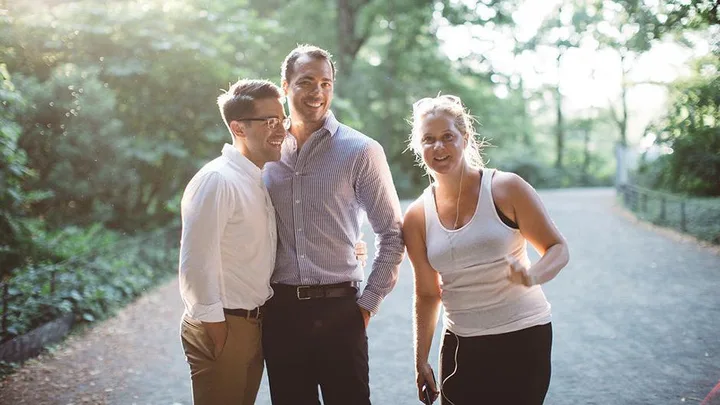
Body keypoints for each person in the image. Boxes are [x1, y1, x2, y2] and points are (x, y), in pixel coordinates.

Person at [177, 78, 368, 404]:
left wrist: (347, 247)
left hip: (253, 324)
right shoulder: (218, 180)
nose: (281, 129)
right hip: (226, 324)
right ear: (238, 128)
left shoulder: (258, 177)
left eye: (280, 119)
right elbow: (195, 264)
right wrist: (218, 333)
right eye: (269, 122)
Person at [262, 44, 405, 405]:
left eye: (326, 83)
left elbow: (391, 233)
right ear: (285, 86)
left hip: (341, 310)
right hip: (281, 312)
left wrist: (368, 303)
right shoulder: (264, 152)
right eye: (306, 82)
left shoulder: (360, 150)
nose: (317, 92)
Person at [404, 94, 570, 405]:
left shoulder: (506, 189)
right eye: (428, 140)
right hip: (461, 343)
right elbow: (427, 294)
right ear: (418, 147)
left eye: (447, 137)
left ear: (465, 139)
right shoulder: (416, 216)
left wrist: (533, 275)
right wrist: (420, 360)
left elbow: (558, 248)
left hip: (523, 335)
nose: (438, 147)